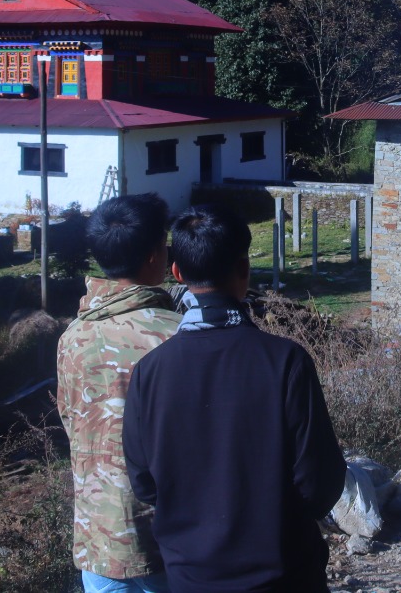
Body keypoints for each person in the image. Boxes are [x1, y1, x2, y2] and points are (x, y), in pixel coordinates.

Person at [123, 206, 345, 593]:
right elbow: (320, 482)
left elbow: (144, 484)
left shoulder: (149, 372)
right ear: (244, 269)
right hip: (284, 574)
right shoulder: (285, 361)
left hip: (191, 577)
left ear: (177, 273)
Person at [57, 194, 183, 593]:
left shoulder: (73, 337)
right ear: (154, 255)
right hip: (169, 536)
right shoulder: (176, 335)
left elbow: (71, 422)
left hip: (98, 535)